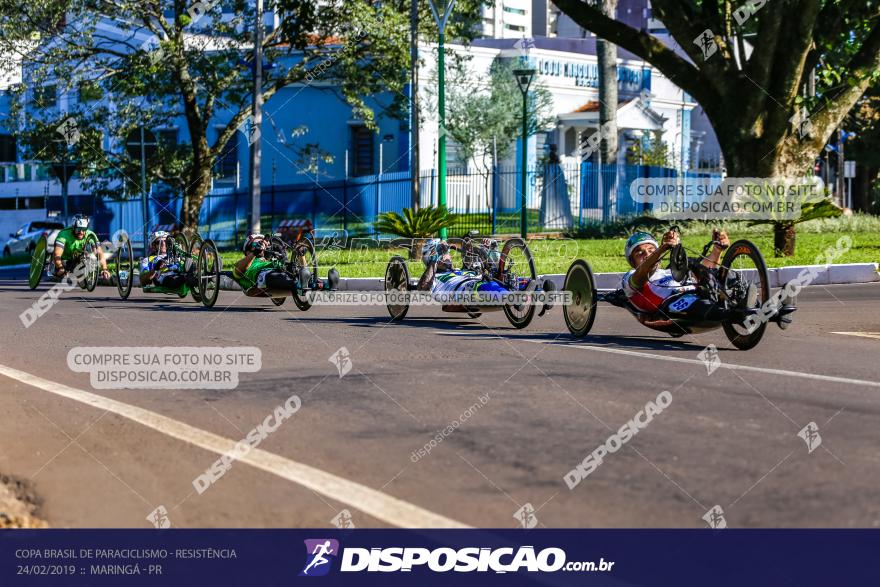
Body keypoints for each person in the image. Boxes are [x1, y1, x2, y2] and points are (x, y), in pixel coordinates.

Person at [621, 228, 730, 315]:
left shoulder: (670, 271)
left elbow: (705, 270)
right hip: (675, 303)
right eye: (640, 253)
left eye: (651, 250)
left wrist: (717, 250)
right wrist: (662, 248)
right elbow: (642, 274)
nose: (647, 255)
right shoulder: (630, 277)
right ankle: (726, 308)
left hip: (702, 293)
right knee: (709, 305)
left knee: (691, 263)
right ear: (632, 262)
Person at [52, 214, 110, 281]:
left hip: (77, 261)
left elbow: (100, 253)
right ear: (73, 227)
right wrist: (60, 267)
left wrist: (105, 269)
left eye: (83, 229)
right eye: (78, 229)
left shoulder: (90, 234)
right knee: (60, 274)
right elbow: (57, 254)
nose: (81, 232)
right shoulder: (64, 234)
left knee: (90, 255)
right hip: (64, 261)